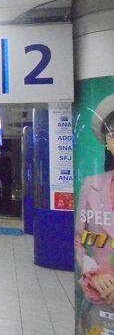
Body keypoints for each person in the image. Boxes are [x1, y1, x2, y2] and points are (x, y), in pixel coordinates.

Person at [75, 94, 114, 332]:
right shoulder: (91, 184)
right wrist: (94, 273)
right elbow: (79, 239)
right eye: (113, 134)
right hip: (100, 300)